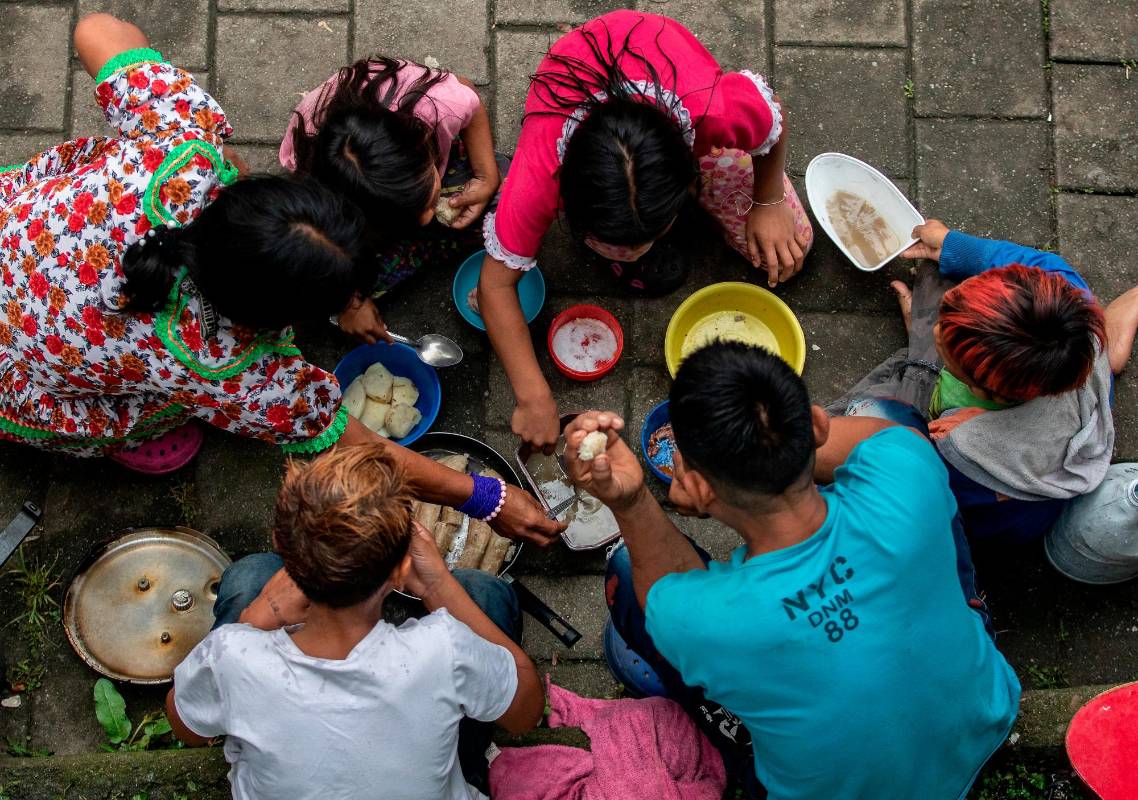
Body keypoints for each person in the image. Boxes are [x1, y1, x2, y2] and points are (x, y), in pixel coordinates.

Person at [0, 14, 561, 544]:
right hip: (25, 368)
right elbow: (366, 448)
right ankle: (127, 438)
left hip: (16, 228)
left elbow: (95, 28)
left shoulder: (181, 146)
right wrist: (486, 498)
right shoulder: (228, 370)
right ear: (273, 324)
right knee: (154, 412)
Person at [563, 342, 1020, 800]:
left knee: (628, 577)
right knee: (892, 420)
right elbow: (880, 438)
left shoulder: (705, 621)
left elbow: (663, 591)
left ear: (697, 488)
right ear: (818, 423)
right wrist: (786, 445)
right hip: (982, 718)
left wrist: (632, 500)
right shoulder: (905, 458)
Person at [478, 10, 814, 451]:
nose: (634, 251)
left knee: (794, 245)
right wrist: (533, 394)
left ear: (690, 170)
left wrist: (768, 201)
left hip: (662, 70)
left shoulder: (712, 111)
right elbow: (494, 286)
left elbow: (774, 121)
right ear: (565, 200)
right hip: (574, 71)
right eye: (616, 243)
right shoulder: (538, 175)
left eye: (647, 237)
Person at [167, 444, 544, 800]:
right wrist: (437, 584)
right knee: (484, 592)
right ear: (401, 570)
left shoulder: (232, 656)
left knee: (249, 574)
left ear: (281, 545)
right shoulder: (445, 649)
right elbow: (526, 712)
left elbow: (187, 727)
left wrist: (259, 616)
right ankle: (472, 763)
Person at [832, 219, 1130, 545]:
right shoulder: (1064, 290)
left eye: (944, 347)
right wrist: (950, 245)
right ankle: (1109, 349)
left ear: (985, 393)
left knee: (868, 415)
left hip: (992, 510)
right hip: (1075, 400)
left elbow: (918, 486)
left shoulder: (962, 447)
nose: (936, 331)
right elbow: (1031, 262)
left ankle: (917, 362)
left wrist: (926, 366)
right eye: (944, 317)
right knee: (937, 270)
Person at [281, 55, 503, 344]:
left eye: (429, 195)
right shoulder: (315, 193)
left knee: (506, 194)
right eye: (412, 212)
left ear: (424, 143)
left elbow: (470, 98)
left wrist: (486, 178)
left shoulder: (435, 105)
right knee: (331, 287)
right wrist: (352, 304)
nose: (428, 216)